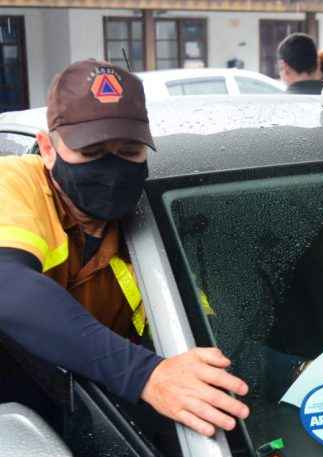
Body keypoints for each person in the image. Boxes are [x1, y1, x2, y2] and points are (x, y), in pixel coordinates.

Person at [0, 59, 249, 437]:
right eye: (93, 152)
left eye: (130, 152)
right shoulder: (14, 184)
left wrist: (297, 369)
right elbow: (8, 287)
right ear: (48, 149)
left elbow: (205, 335)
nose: (112, 170)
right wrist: (145, 374)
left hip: (89, 421)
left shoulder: (143, 227)